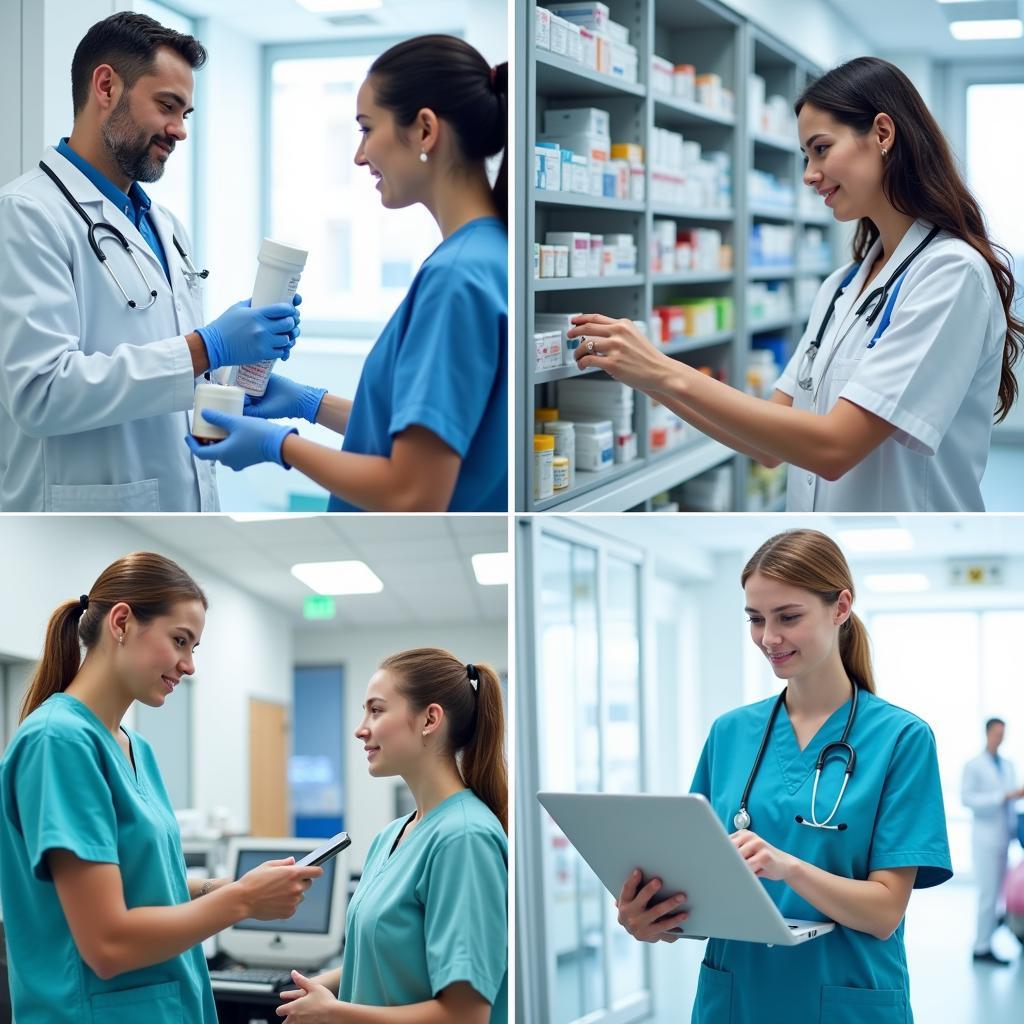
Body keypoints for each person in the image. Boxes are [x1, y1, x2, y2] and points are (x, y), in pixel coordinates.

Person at [569, 57, 1021, 512]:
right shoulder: (842, 287)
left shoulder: (950, 274)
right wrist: (647, 377)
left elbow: (834, 448)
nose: (808, 174)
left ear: (883, 133)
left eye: (821, 148)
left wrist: (663, 371)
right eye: (807, 156)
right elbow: (769, 443)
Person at [615, 529, 952, 1023]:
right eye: (756, 619)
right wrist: (651, 920)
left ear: (840, 608)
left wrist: (786, 866)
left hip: (844, 1000)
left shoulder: (902, 739)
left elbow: (884, 913)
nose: (769, 638)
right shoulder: (730, 734)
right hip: (736, 1001)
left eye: (788, 617)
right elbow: (699, 887)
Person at [187, 35, 508, 512]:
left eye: (365, 128)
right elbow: (427, 436)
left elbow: (413, 492)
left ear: (424, 131)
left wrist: (279, 445)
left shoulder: (456, 278)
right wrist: (309, 403)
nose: (359, 155)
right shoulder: (490, 254)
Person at [0, 552, 323, 1023]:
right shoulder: (59, 742)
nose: (189, 665)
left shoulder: (135, 748)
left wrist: (218, 887)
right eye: (180, 641)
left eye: (194, 648)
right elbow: (108, 943)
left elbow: (137, 877)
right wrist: (245, 900)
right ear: (123, 622)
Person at [0, 12, 301, 512]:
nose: (179, 130)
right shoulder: (27, 215)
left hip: (183, 502)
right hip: (84, 511)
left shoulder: (163, 225)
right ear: (106, 86)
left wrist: (240, 368)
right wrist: (207, 347)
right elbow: (41, 393)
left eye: (186, 114)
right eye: (167, 106)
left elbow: (170, 365)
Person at [275, 648, 508, 1022]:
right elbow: (383, 958)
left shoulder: (464, 838)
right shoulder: (391, 836)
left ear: (430, 719)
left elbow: (465, 1015)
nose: (360, 728)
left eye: (377, 710)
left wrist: (334, 1013)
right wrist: (315, 987)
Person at [961, 717, 1024, 965]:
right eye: (997, 733)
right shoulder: (974, 765)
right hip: (985, 839)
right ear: (987, 733)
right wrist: (1003, 796)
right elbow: (967, 799)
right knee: (988, 895)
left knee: (999, 894)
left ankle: (990, 936)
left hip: (1003, 838)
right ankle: (981, 947)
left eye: (1003, 734)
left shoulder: (1007, 765)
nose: (1000, 738)